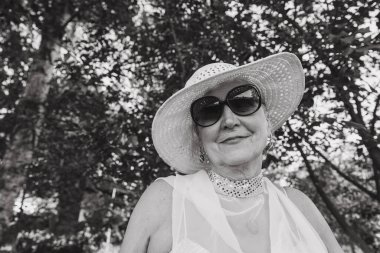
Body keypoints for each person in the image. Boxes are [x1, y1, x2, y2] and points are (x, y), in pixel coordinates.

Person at [120, 53, 344, 253]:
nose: (228, 120)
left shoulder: (299, 206)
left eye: (243, 102)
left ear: (266, 119)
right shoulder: (165, 199)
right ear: (198, 136)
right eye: (209, 111)